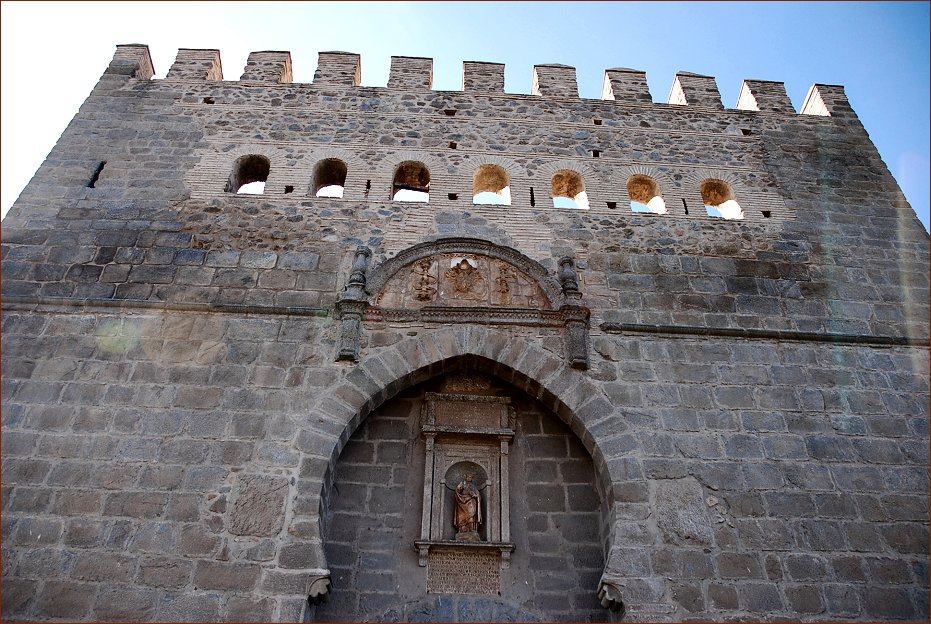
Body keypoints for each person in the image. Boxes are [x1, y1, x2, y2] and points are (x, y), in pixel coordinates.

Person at [454, 474, 482, 539]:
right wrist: (459, 488)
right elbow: (457, 491)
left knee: (472, 513)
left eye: (471, 477)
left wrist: (475, 495)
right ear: (466, 477)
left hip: (471, 501)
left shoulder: (473, 487)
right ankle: (463, 529)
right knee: (462, 515)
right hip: (462, 501)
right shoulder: (462, 484)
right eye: (469, 477)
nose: (470, 478)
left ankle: (471, 528)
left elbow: (478, 495)